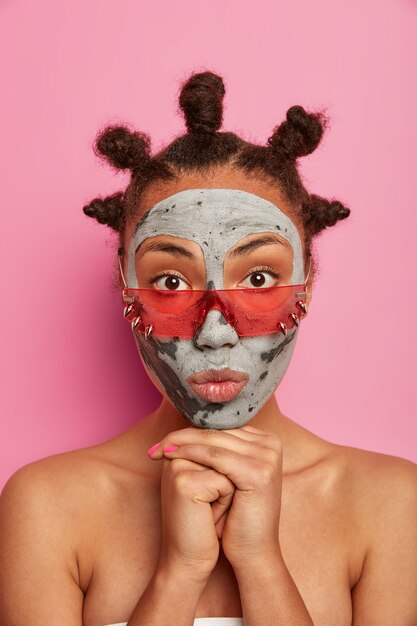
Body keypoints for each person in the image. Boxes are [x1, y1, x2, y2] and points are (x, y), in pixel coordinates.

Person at [0, 70, 416, 626]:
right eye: (171, 282)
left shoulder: (392, 505)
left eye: (260, 280)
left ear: (308, 281)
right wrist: (180, 571)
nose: (215, 332)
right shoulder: (46, 505)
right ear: (125, 284)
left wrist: (261, 564)